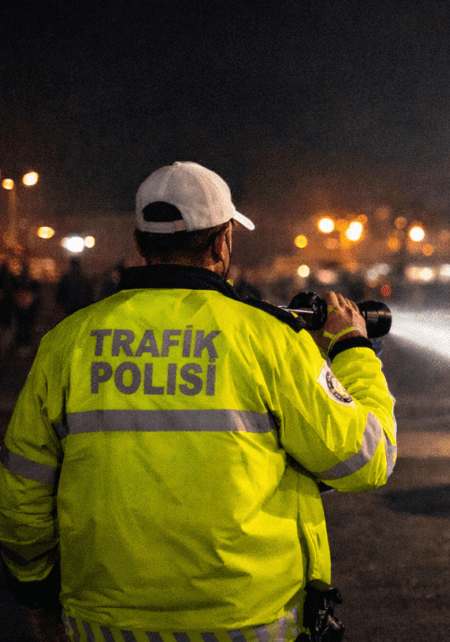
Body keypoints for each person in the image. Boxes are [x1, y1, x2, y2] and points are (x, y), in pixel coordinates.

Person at [0, 161, 397, 641]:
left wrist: (36, 591)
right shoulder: (269, 338)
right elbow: (365, 459)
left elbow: (23, 487)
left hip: (105, 624)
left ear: (140, 241)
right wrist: (353, 350)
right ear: (221, 241)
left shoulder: (67, 343)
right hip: (246, 623)